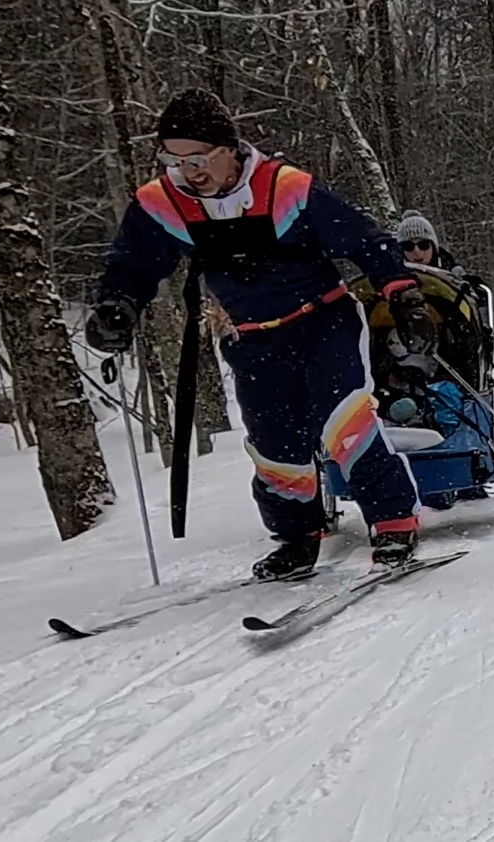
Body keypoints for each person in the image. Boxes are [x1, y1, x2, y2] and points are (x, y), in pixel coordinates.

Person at [82, 89, 427, 576]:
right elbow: (132, 264)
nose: (189, 171)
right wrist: (115, 306)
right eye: (174, 160)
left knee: (344, 424)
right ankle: (297, 538)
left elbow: (364, 240)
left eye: (199, 158)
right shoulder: (163, 204)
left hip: (323, 321)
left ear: (230, 149)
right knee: (275, 445)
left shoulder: (286, 189)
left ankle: (393, 522)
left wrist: (400, 289)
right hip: (252, 337)